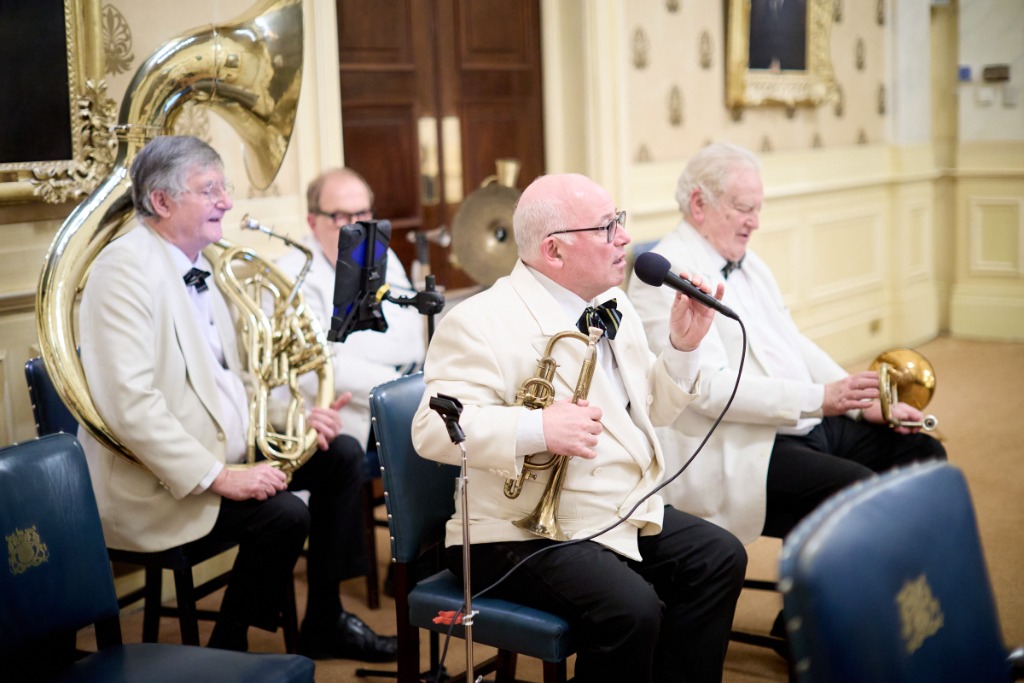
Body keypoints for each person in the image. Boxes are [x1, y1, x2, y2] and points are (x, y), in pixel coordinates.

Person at [411, 173, 747, 683]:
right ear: (555, 250)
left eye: (619, 221)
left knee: (719, 557)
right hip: (510, 531)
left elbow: (653, 409)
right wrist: (537, 427)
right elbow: (431, 430)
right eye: (607, 227)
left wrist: (684, 346)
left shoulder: (614, 303)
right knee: (631, 610)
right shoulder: (477, 321)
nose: (625, 238)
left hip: (611, 509)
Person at [77, 135, 397, 662]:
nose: (226, 201)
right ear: (161, 201)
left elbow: (237, 382)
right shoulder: (122, 270)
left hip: (227, 449)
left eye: (224, 187)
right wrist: (220, 476)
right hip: (155, 484)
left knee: (339, 454)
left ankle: (325, 620)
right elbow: (129, 407)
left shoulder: (204, 262)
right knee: (284, 515)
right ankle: (229, 653)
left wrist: (295, 418)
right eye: (210, 190)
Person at [626, 141, 947, 549]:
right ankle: (822, 593)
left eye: (758, 209)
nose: (755, 222)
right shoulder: (668, 275)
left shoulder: (751, 263)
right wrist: (821, 398)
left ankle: (910, 574)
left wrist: (860, 402)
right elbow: (707, 391)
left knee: (922, 453)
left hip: (803, 421)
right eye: (744, 208)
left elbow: (792, 342)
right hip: (740, 445)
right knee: (858, 490)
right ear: (699, 204)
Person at [275, 167, 425, 450]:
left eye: (363, 214)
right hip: (346, 424)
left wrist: (347, 348)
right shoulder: (288, 275)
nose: (356, 228)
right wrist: (396, 383)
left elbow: (413, 340)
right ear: (312, 222)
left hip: (404, 405)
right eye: (341, 217)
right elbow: (315, 369)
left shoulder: (382, 255)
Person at [748, 0, 807, 71]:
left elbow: (799, 42)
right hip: (761, 67)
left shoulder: (799, 5)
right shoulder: (757, 5)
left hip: (791, 67)